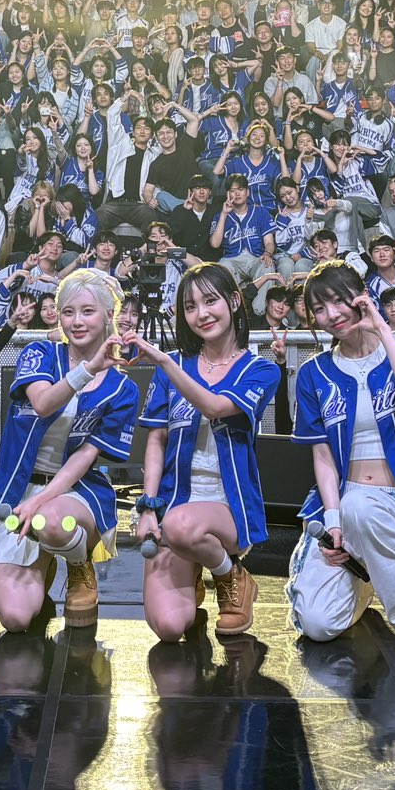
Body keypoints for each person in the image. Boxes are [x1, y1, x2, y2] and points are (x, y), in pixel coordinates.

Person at [283, 258, 395, 649]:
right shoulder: (314, 373)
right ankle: (370, 575)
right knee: (317, 623)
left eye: (337, 302)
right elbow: (322, 457)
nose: (331, 316)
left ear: (359, 296)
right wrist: (332, 519)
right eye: (319, 309)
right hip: (343, 505)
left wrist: (381, 328)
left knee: (361, 507)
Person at [123, 261, 283, 643]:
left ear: (234, 301)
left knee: (180, 525)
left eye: (210, 301)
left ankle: (231, 576)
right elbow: (156, 440)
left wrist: (163, 361)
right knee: (168, 627)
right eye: (190, 307)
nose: (201, 314)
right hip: (174, 501)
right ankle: (196, 565)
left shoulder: (260, 370)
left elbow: (213, 407)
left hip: (228, 506)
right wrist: (147, 505)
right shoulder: (174, 366)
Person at [0, 269, 138, 631]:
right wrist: (85, 370)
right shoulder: (39, 353)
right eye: (68, 312)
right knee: (15, 618)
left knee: (52, 523)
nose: (77, 321)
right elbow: (43, 403)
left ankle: (78, 562)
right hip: (20, 488)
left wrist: (41, 501)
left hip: (72, 493)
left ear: (107, 316)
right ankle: (47, 557)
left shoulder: (121, 388)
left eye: (88, 311)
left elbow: (85, 458)